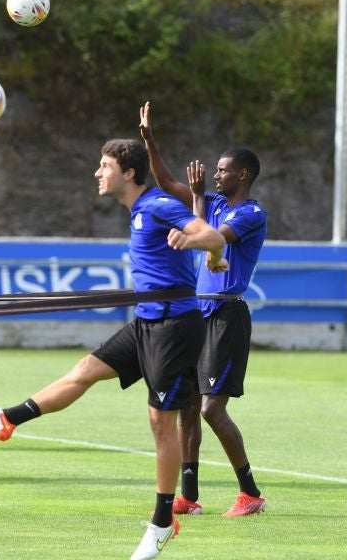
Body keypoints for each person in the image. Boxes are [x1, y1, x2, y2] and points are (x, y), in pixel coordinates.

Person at [0, 138, 228, 560]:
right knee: (85, 369)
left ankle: (162, 523)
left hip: (175, 327)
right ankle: (6, 419)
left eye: (104, 165)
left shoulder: (157, 205)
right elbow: (214, 248)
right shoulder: (139, 211)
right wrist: (212, 258)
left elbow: (211, 233)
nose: (97, 173)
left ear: (129, 173)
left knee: (161, 421)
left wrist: (197, 245)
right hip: (147, 321)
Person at [139, 101, 267, 518]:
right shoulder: (209, 201)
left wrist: (193, 212)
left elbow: (214, 239)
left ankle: (250, 493)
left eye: (224, 169)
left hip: (227, 315)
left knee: (213, 407)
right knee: (188, 407)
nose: (216, 174)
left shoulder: (250, 212)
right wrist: (149, 142)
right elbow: (166, 181)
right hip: (198, 313)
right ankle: (189, 498)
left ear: (243, 175)